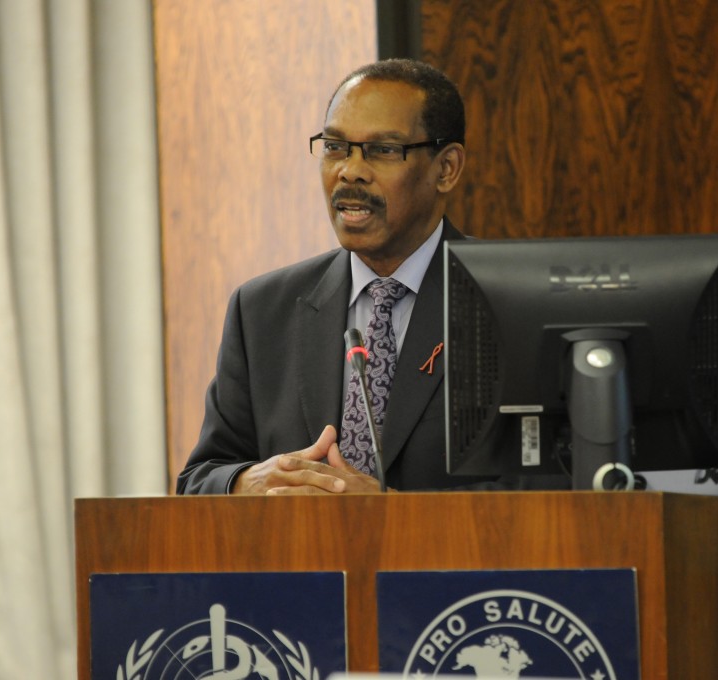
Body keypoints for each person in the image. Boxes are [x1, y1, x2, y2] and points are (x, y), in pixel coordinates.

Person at [177, 59, 533, 495]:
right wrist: (247, 483)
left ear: (446, 169)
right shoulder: (261, 311)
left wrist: (394, 516)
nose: (350, 170)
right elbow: (200, 478)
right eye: (335, 147)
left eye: (383, 150)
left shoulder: (513, 301)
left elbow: (558, 490)